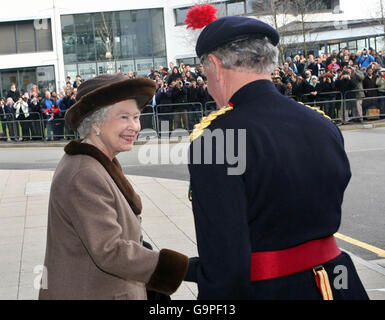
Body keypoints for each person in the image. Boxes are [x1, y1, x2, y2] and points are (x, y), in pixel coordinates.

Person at [184, 15, 368, 300]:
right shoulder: (321, 122)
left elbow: (225, 261)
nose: (207, 84)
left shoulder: (216, 139)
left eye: (204, 73)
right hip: (339, 282)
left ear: (216, 66)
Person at [39, 73, 188, 300]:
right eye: (124, 117)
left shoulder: (97, 162)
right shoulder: (84, 173)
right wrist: (180, 268)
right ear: (96, 123)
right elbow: (109, 249)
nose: (134, 126)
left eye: (136, 117)